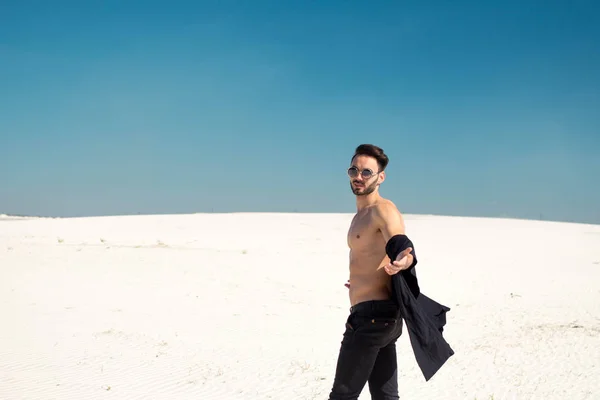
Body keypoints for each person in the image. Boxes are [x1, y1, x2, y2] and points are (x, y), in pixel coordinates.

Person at [328, 144, 453, 400]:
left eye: (366, 172)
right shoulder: (359, 215)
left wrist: (404, 260)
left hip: (372, 319)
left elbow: (400, 243)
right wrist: (361, 281)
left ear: (380, 177)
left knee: (342, 396)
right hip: (379, 317)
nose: (358, 176)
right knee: (385, 397)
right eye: (354, 170)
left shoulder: (383, 210)